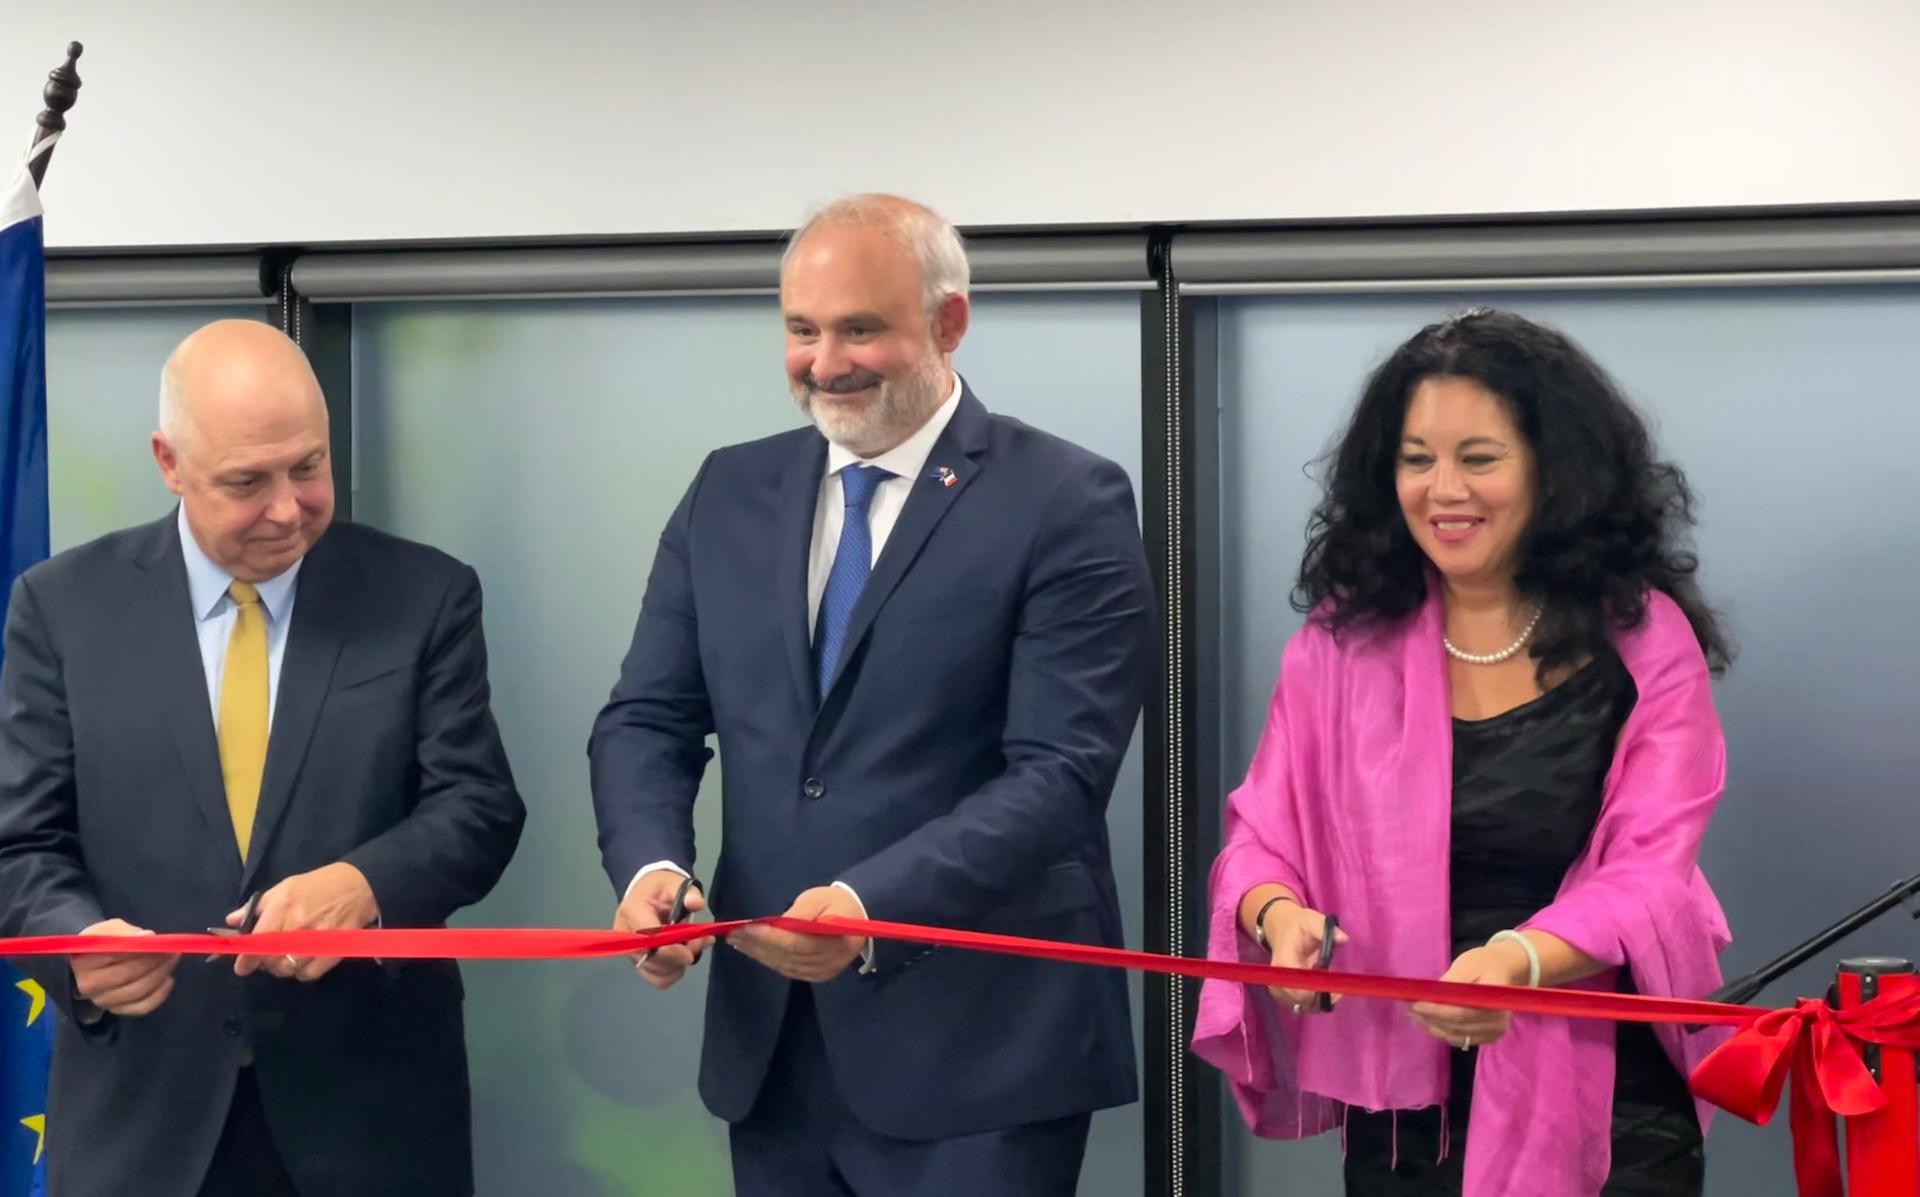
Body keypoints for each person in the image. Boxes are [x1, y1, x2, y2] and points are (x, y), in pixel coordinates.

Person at [590, 193, 1152, 1196]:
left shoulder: (1066, 499)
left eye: (860, 328)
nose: (825, 361)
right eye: (801, 330)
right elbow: (648, 719)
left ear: (949, 324)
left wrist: (868, 904)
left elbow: (1062, 774)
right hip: (773, 1052)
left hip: (982, 1055)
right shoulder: (728, 490)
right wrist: (651, 870)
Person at [1192, 308, 1735, 1197]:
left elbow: (1651, 870)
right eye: (1417, 460)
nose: (1443, 489)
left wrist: (1519, 962)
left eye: (1478, 458)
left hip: (1607, 1096)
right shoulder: (1338, 643)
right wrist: (1277, 916)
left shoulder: (1641, 637)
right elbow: (1261, 832)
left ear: (1554, 472)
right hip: (1406, 1104)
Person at [0, 320, 525, 1197]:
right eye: (247, 481)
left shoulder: (425, 595)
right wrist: (78, 945)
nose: (288, 507)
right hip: (144, 1116)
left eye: (308, 467)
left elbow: (477, 807)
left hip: (370, 1117)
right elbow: (21, 843)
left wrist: (364, 886)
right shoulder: (63, 608)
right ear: (169, 463)